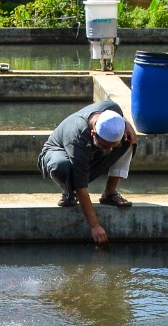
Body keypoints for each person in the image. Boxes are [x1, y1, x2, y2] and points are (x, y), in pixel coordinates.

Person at [39, 100, 138, 246]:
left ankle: (110, 193)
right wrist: (94, 226)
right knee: (62, 167)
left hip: (91, 152)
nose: (109, 151)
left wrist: (126, 125)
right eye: (105, 145)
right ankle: (68, 193)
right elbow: (82, 186)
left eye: (112, 146)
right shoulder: (77, 138)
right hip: (57, 153)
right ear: (93, 133)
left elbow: (116, 120)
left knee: (129, 141)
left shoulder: (112, 109)